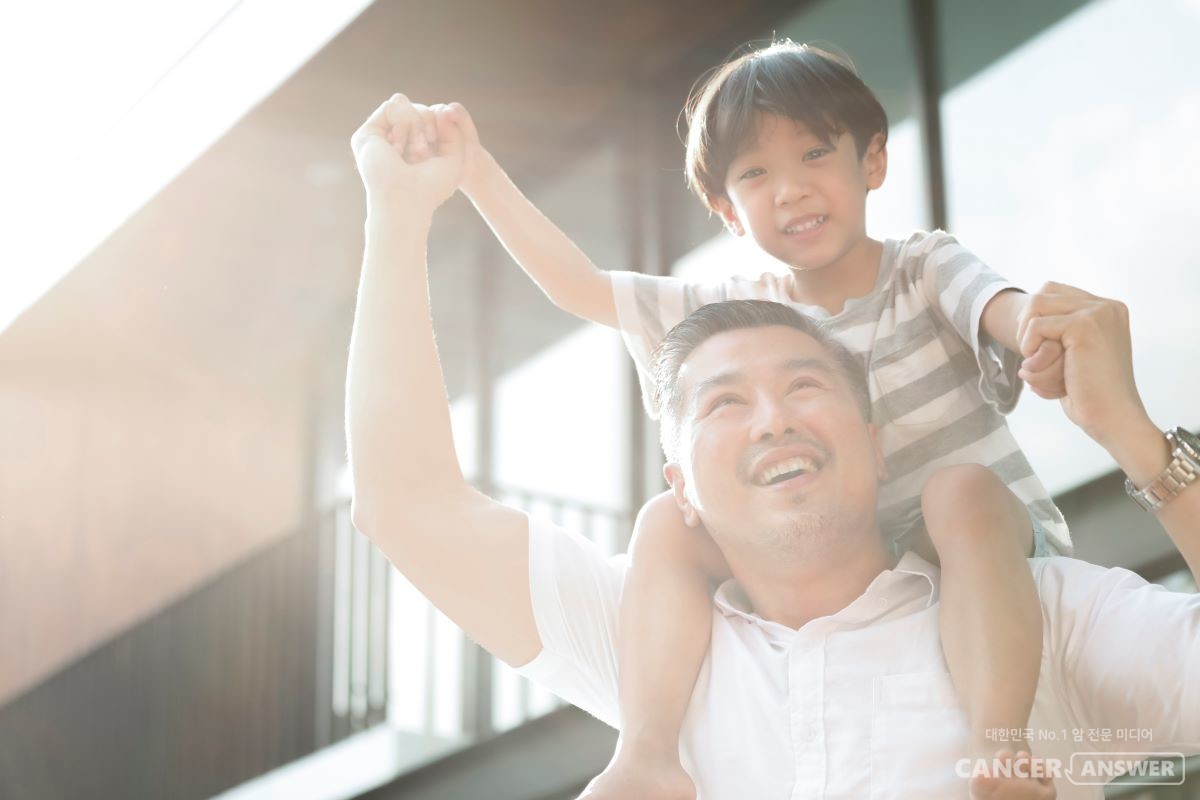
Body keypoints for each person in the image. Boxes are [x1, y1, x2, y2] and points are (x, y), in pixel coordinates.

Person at [345, 92, 1200, 799]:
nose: (771, 420)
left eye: (804, 385)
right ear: (682, 481)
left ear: (874, 440)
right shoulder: (656, 642)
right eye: (723, 402)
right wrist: (399, 211)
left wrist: (1137, 440)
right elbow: (406, 501)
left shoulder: (1039, 619)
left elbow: (1007, 316)